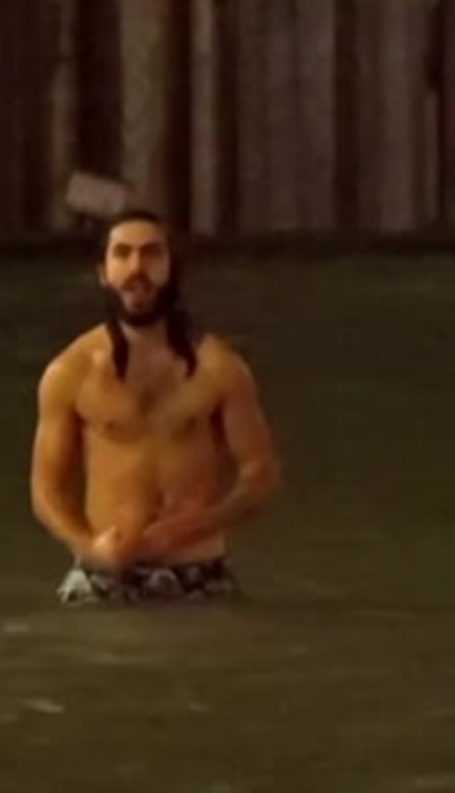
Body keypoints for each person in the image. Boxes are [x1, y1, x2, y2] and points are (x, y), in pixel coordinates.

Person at [30, 210, 283, 605]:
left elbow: (261, 476)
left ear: (172, 268)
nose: (137, 267)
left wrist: (198, 525)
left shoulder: (219, 369)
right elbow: (46, 489)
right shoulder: (70, 372)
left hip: (198, 573)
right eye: (123, 254)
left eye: (151, 254)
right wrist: (89, 547)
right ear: (103, 272)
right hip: (103, 576)